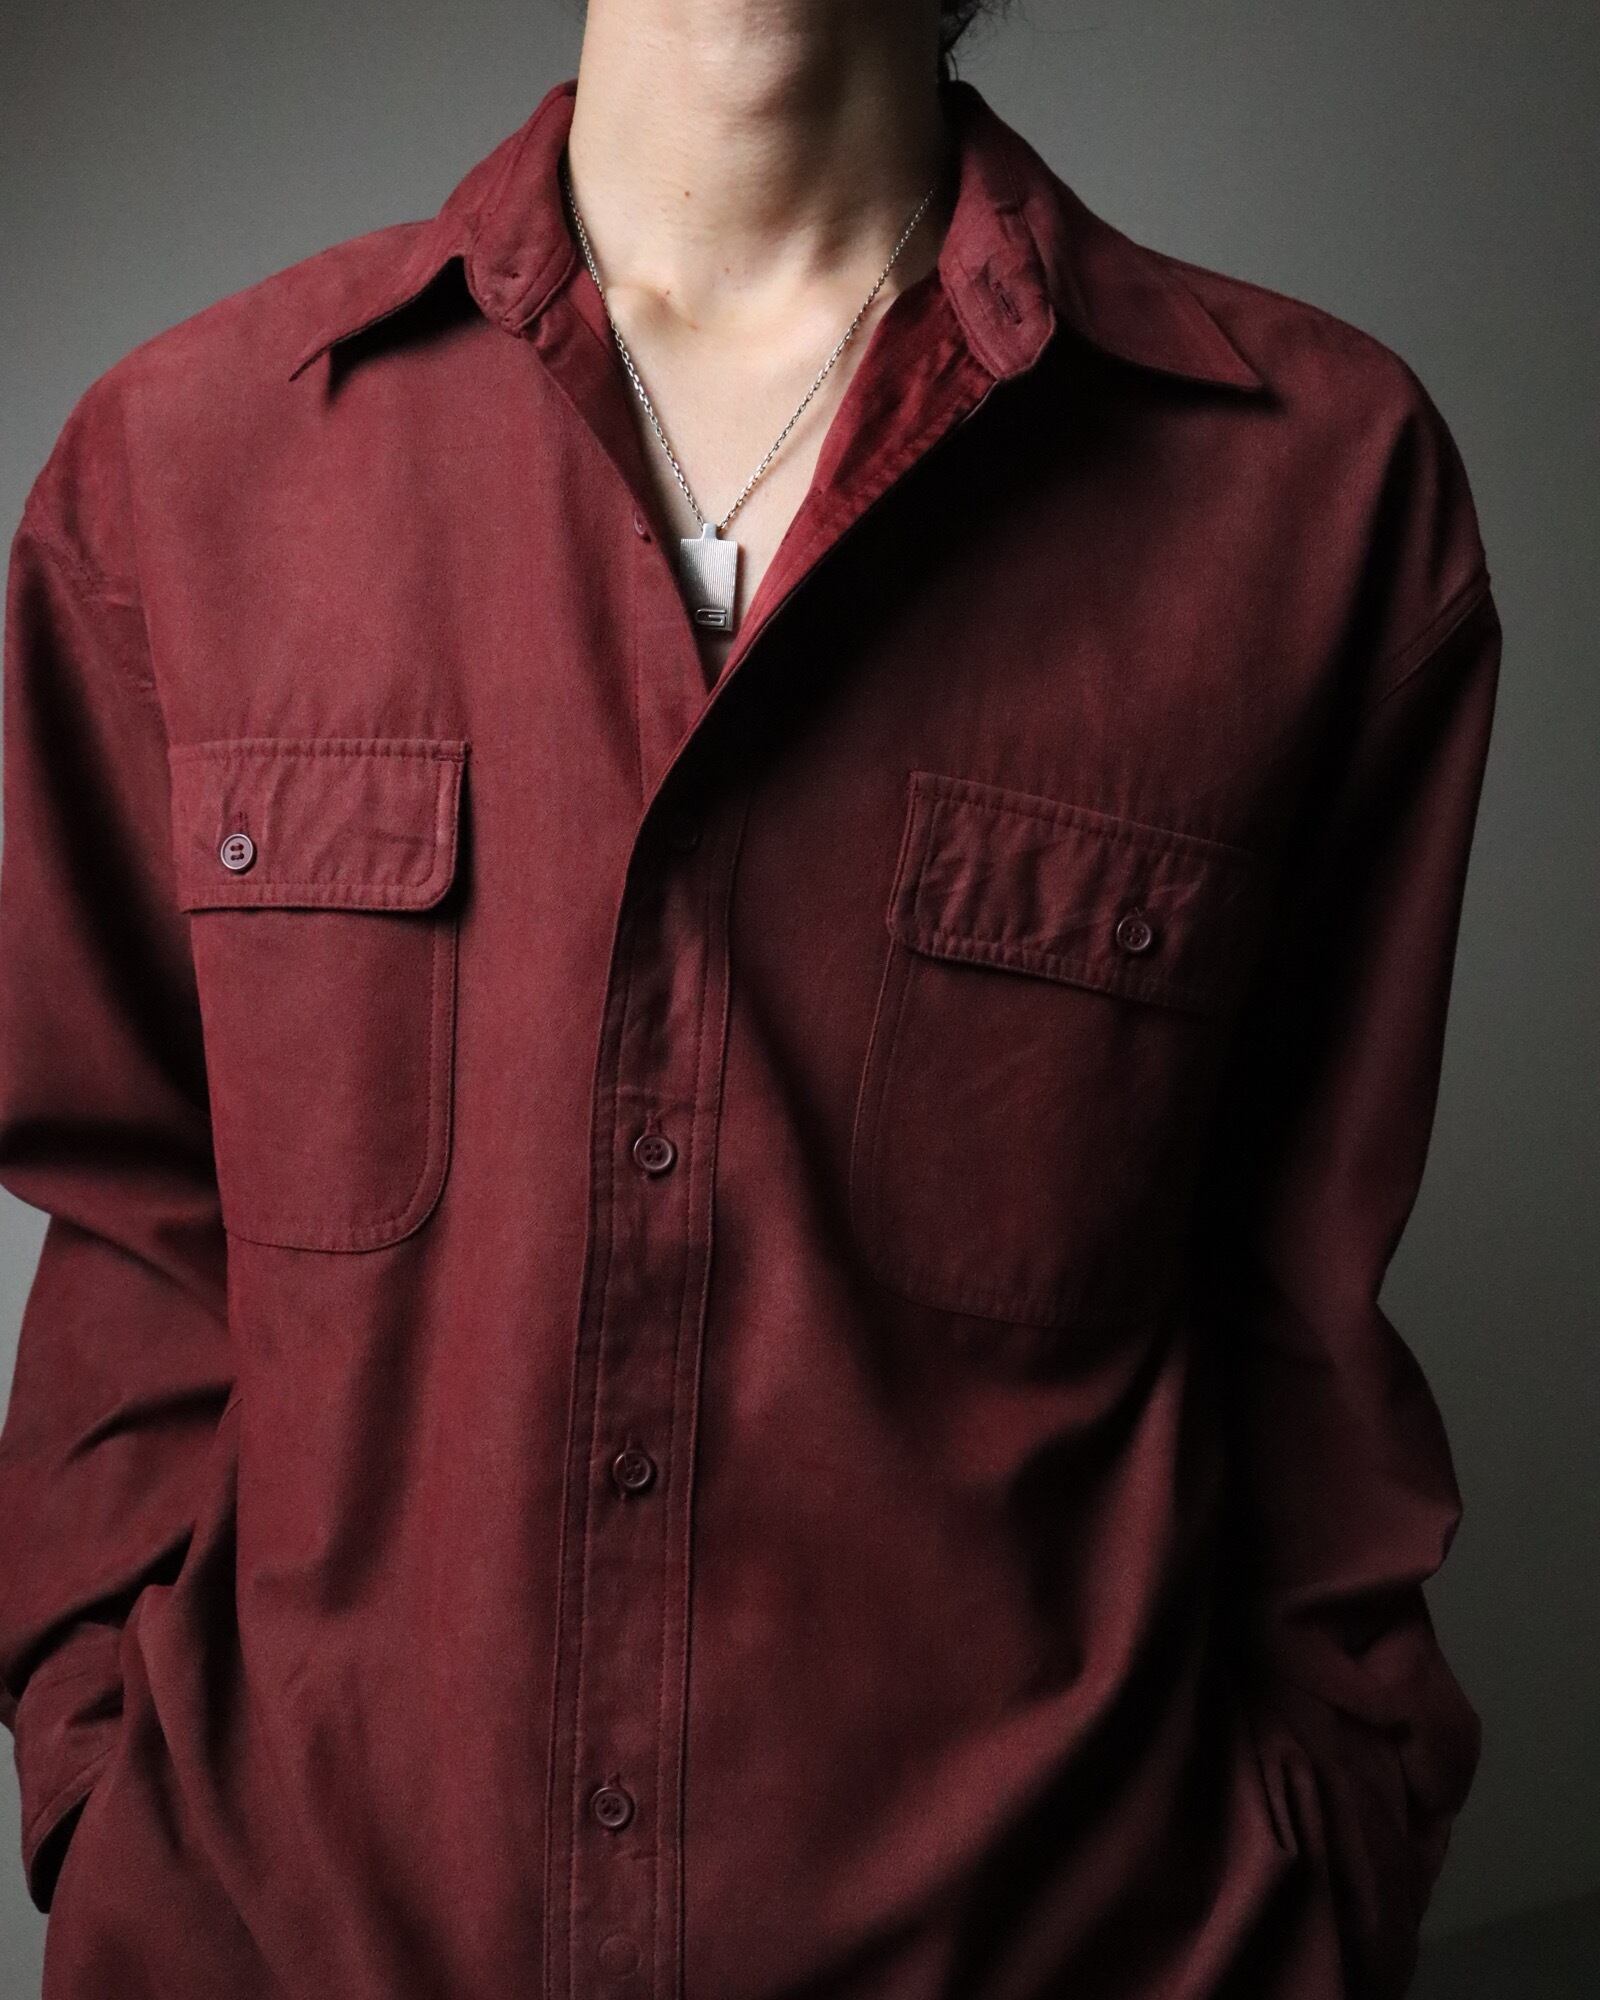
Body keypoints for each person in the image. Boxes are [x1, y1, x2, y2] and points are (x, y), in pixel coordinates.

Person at [0, 2, 1501, 1996]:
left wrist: (1327, 1863)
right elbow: (128, 1234)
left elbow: (1303, 1306)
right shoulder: (185, 462)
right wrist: (99, 1795)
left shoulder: (1312, 488)